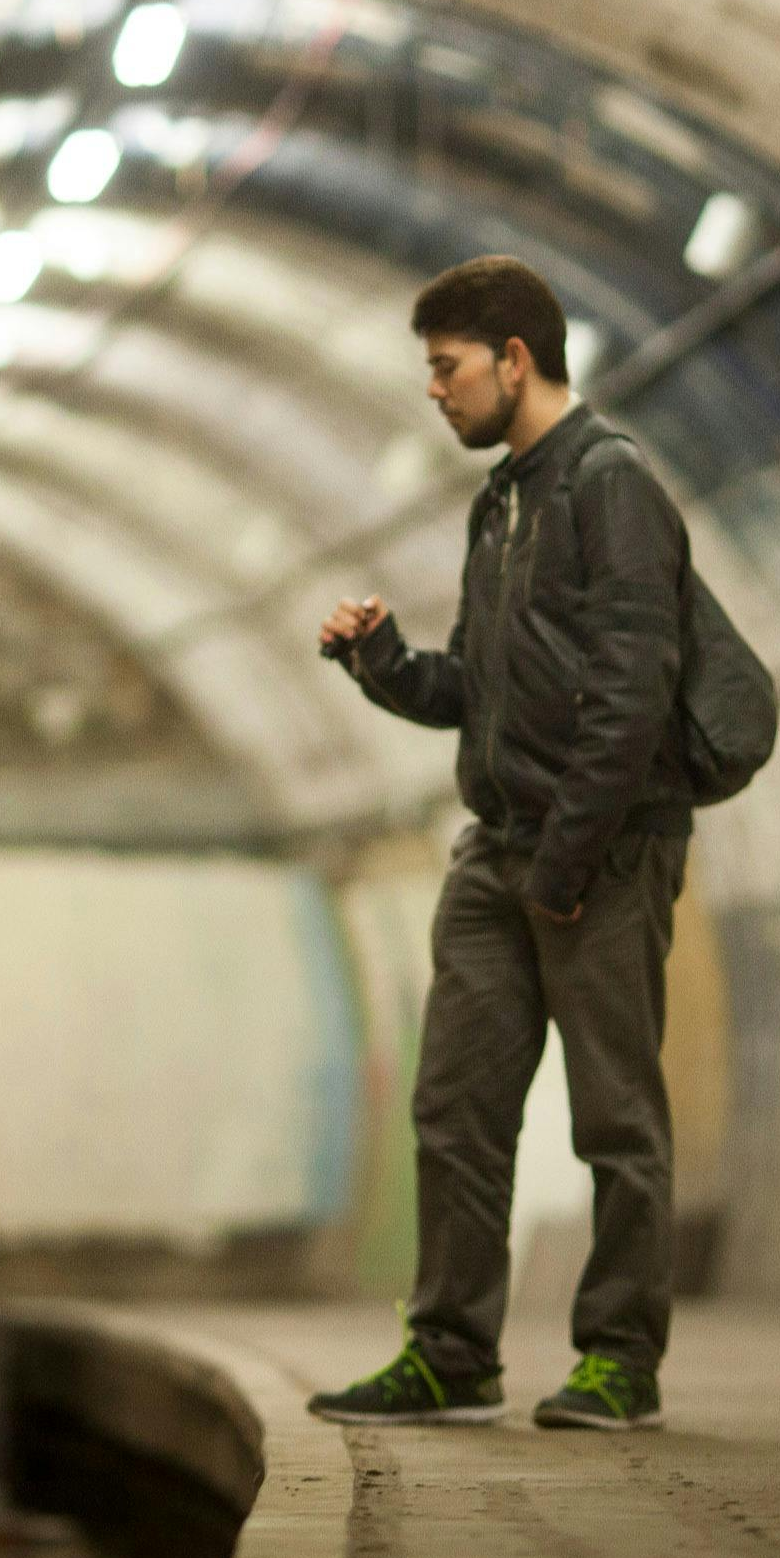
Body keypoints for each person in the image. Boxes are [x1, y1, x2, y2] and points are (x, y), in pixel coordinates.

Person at [307, 256, 697, 1433]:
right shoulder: (504, 499)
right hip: (495, 850)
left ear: (512, 360)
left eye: (445, 368)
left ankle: (619, 1357)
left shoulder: (609, 485)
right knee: (456, 1107)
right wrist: (381, 663)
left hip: (601, 853)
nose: (434, 392)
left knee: (614, 1117)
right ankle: (450, 1350)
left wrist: (569, 863)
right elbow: (475, 691)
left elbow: (636, 690)